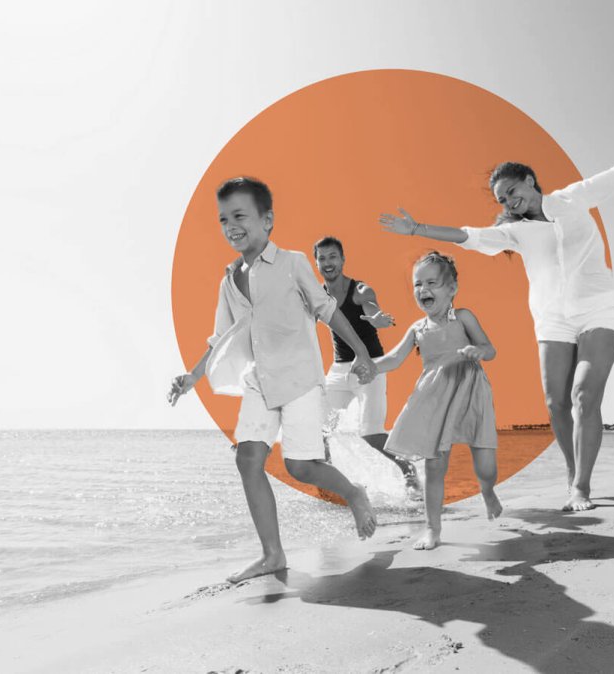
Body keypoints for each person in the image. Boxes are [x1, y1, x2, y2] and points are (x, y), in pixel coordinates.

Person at [380, 112, 614, 512]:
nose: (508, 201)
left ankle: (581, 489)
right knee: (555, 403)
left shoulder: (574, 198)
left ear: (530, 181)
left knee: (584, 395)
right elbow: (469, 236)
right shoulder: (515, 232)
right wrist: (417, 229)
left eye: (511, 191)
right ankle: (573, 474)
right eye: (501, 199)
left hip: (598, 308)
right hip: (552, 318)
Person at [168, 177, 378, 584]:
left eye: (240, 215)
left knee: (300, 466)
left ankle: (354, 493)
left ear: (267, 220)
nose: (231, 224)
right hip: (259, 381)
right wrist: (192, 377)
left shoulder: (293, 262)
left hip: (299, 378)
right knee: (247, 459)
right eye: (224, 218)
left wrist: (363, 354)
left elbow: (327, 310)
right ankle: (272, 555)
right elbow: (221, 338)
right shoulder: (229, 280)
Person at [373, 252, 500, 550]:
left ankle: (487, 490)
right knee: (434, 465)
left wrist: (479, 351)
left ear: (452, 288)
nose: (423, 289)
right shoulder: (417, 329)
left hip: (470, 390)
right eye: (418, 284)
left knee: (485, 463)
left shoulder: (464, 316)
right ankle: (433, 529)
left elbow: (489, 347)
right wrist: (371, 367)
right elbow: (394, 359)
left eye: (432, 282)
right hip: (434, 395)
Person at [313, 236, 420, 497]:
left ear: (343, 260)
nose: (328, 263)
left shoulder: (360, 290)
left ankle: (409, 471)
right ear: (316, 262)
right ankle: (327, 486)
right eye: (322, 258)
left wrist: (378, 319)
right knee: (319, 431)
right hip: (339, 371)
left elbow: (373, 313)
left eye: (333, 257)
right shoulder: (317, 294)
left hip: (371, 368)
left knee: (371, 434)